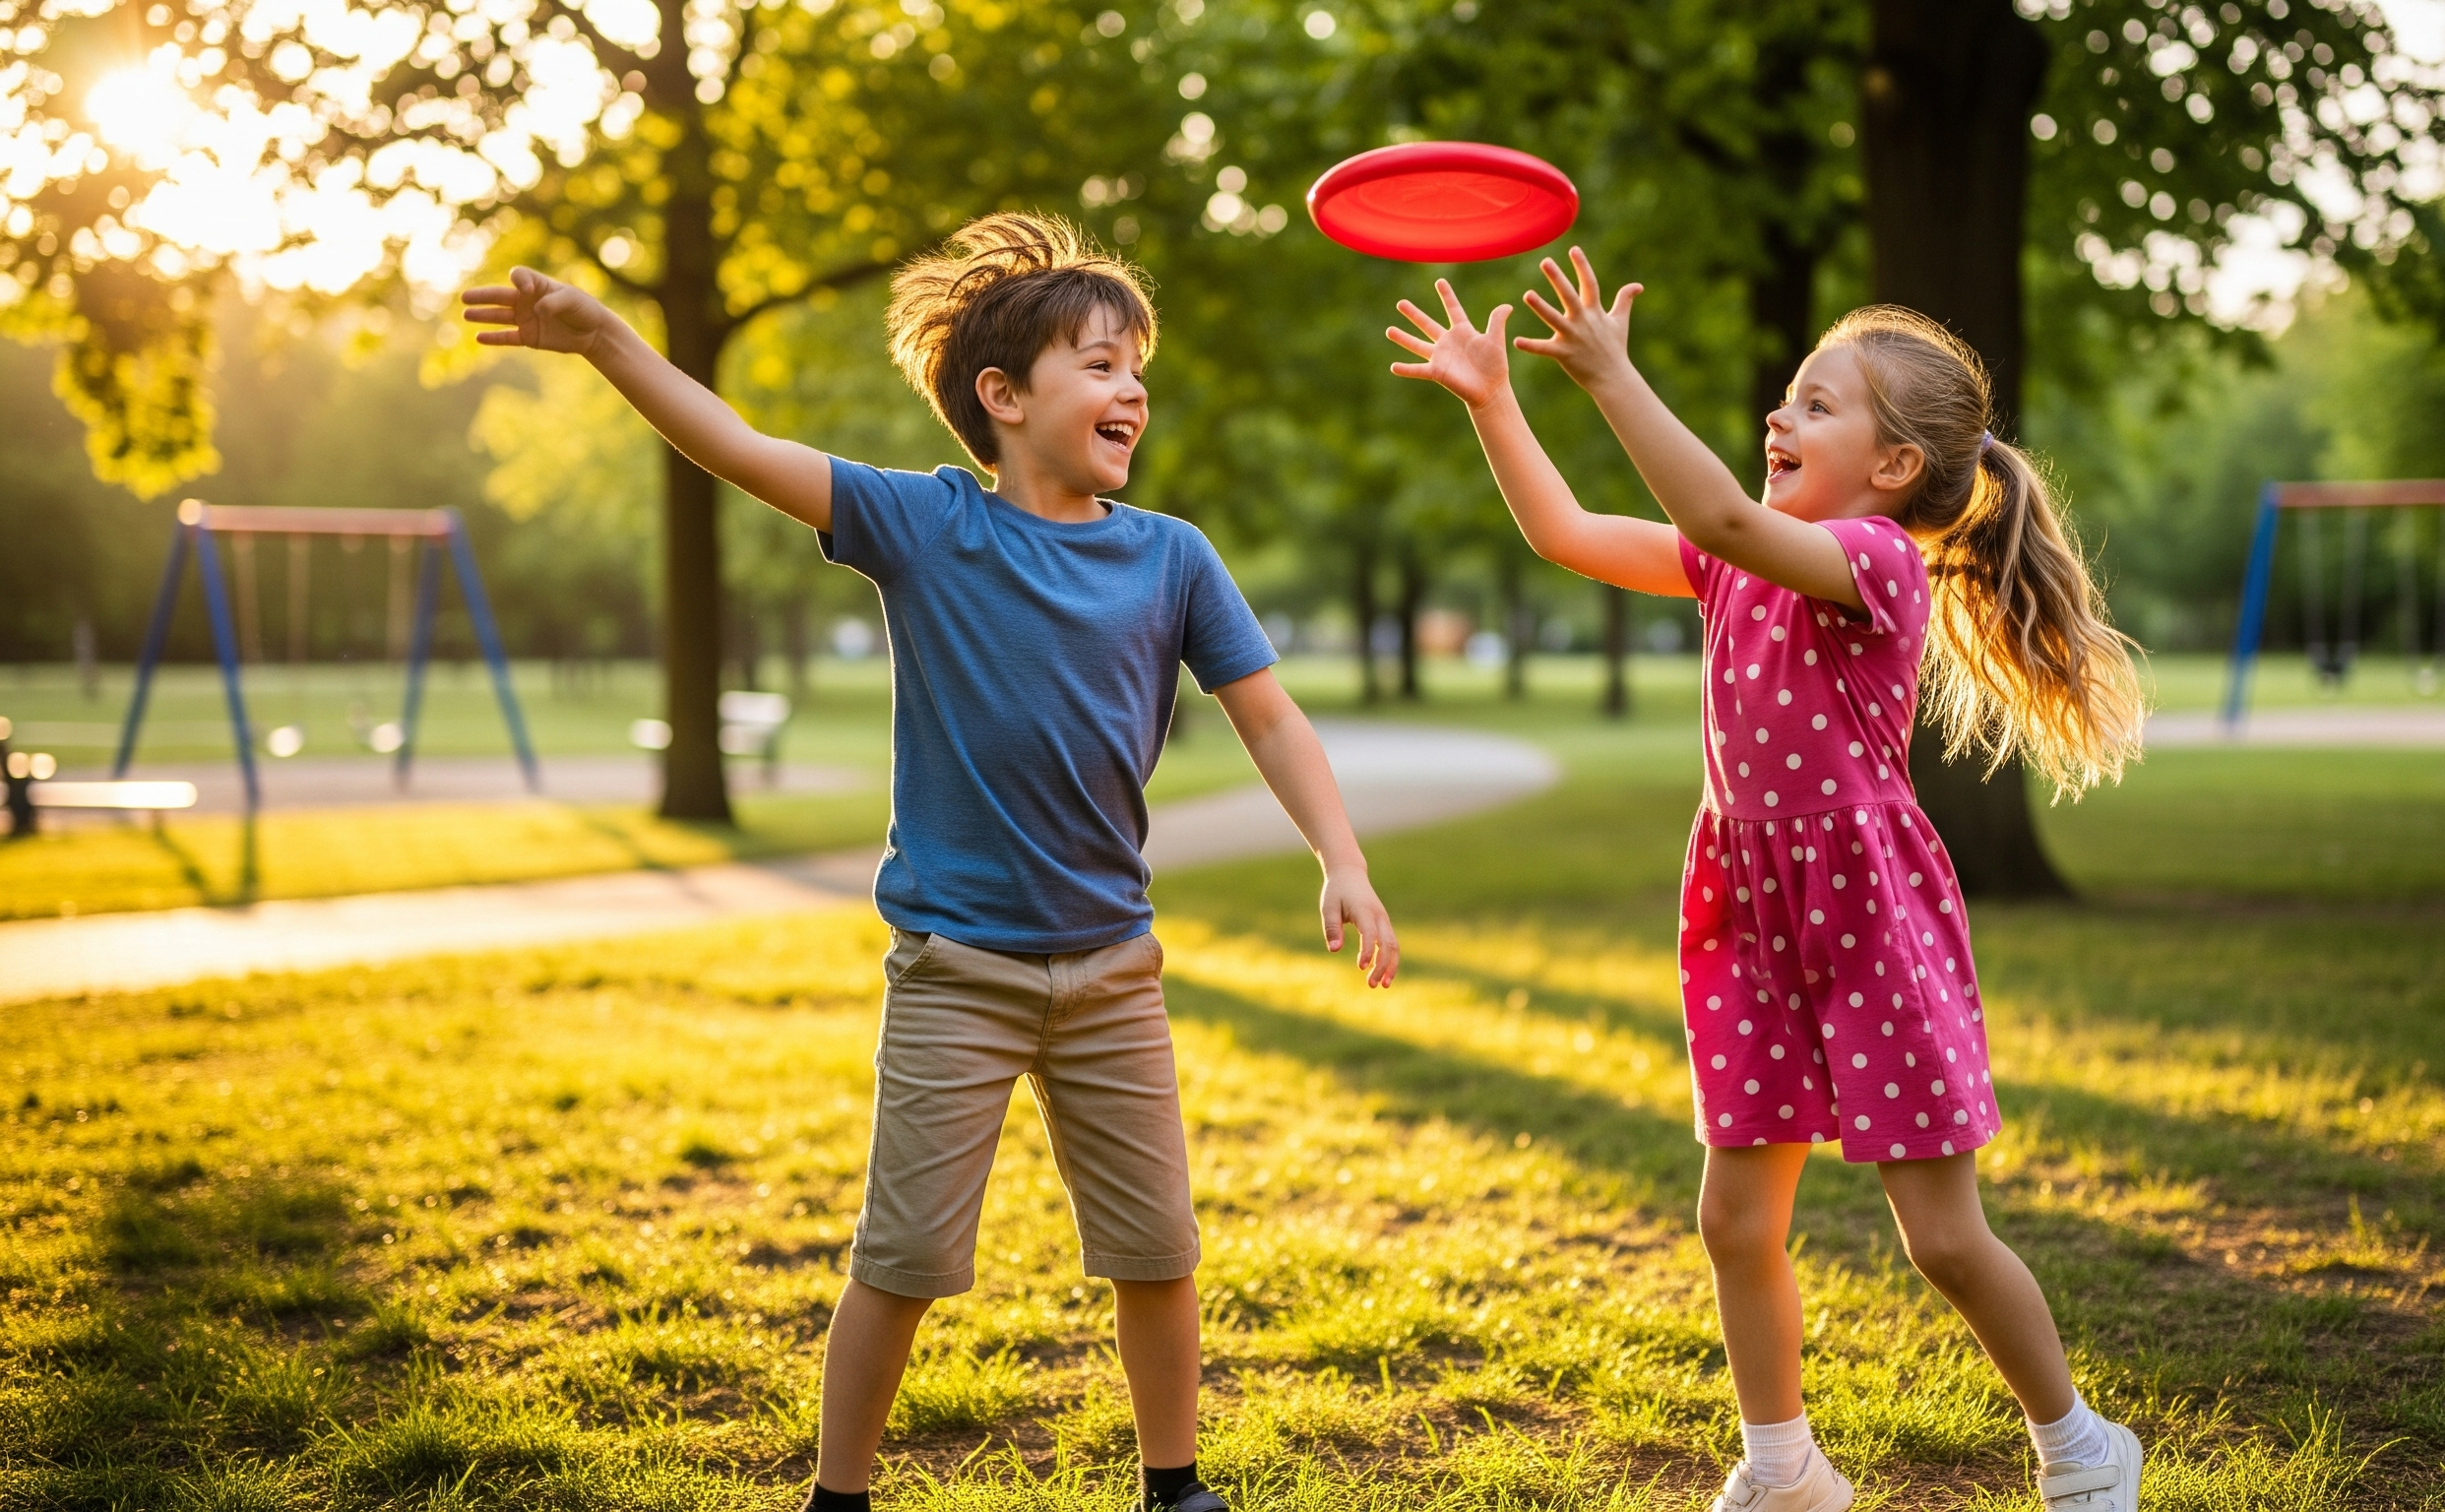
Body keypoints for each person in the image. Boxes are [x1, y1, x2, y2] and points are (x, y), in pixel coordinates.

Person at [466, 213, 1400, 1512]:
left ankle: (1175, 1490)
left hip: (1115, 969)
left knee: (1159, 1250)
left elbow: (1270, 716)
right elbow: (737, 446)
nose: (1131, 388)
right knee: (901, 1258)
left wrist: (1340, 857)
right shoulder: (925, 525)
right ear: (1003, 398)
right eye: (1099, 362)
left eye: (1138, 367)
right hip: (957, 971)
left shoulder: (1171, 556)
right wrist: (612, 340)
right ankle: (838, 1498)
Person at [1385, 255, 2147, 1512]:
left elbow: (1726, 519)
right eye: (1783, 401)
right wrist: (1492, 401)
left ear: (1893, 467)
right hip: (1747, 911)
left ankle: (2077, 1445)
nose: (1776, 421)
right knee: (1734, 1221)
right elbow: (1567, 534)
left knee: (1941, 1238)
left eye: (1812, 405)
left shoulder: (1876, 561)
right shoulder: (1727, 562)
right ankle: (1782, 1465)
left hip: (1866, 915)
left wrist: (1616, 379)